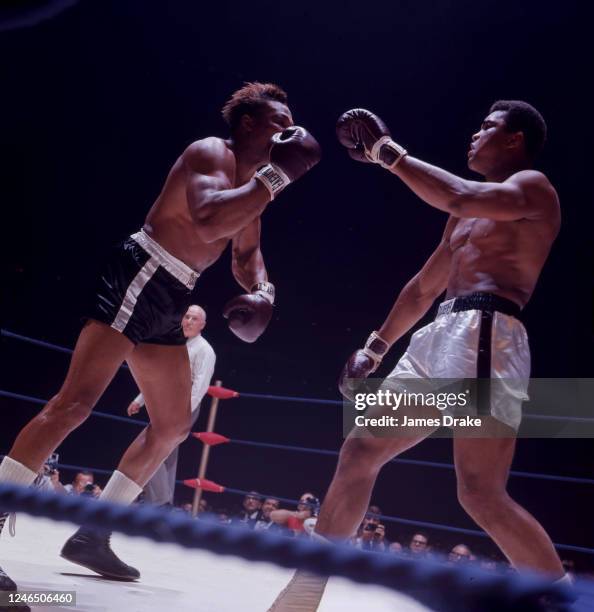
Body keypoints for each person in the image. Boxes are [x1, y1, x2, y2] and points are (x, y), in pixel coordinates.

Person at [0, 81, 321, 588]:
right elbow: (211, 217)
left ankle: (93, 533)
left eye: (291, 123)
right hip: (142, 270)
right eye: (278, 122)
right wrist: (278, 176)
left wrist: (265, 290)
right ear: (249, 125)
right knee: (74, 405)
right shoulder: (210, 153)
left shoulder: (259, 182)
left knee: (172, 425)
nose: (289, 130)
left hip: (174, 293)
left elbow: (243, 253)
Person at [268, 100, 568, 610]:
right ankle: (305, 591)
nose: (475, 134)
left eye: (488, 127)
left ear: (515, 140)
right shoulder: (462, 216)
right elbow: (425, 286)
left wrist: (389, 154)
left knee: (479, 492)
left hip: (487, 333)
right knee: (360, 450)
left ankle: (565, 601)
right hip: (437, 333)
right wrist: (376, 345)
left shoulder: (532, 188)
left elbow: (457, 190)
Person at [127, 304, 215, 507]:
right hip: (165, 399)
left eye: (194, 319)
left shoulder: (205, 350)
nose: (189, 322)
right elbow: (162, 375)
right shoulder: (174, 344)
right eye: (187, 317)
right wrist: (139, 400)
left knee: (153, 445)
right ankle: (162, 503)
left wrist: (185, 412)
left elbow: (200, 386)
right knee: (166, 453)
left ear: (202, 324)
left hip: (184, 405)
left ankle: (159, 500)